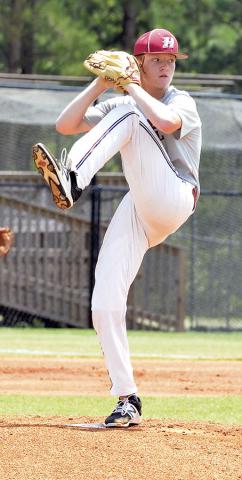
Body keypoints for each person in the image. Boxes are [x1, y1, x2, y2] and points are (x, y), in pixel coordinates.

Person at [33, 28, 202, 427]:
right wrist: (101, 82)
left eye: (171, 60)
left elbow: (161, 119)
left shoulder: (183, 101)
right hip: (140, 206)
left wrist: (128, 89)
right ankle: (127, 398)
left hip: (175, 195)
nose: (166, 67)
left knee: (129, 112)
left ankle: (72, 178)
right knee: (105, 301)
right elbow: (65, 123)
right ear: (139, 62)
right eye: (157, 60)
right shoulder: (125, 97)